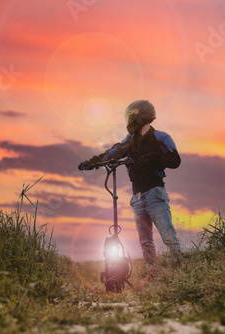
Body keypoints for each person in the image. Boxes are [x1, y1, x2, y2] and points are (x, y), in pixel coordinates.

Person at [78, 100, 182, 273]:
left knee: (168, 236)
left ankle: (180, 270)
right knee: (145, 241)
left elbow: (175, 160)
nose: (129, 120)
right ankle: (151, 272)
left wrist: (153, 157)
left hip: (156, 194)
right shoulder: (129, 141)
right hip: (138, 197)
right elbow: (113, 153)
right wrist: (93, 162)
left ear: (141, 115)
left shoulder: (162, 137)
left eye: (132, 115)